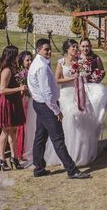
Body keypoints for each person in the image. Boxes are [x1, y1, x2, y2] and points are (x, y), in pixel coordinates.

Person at [25, 38, 90, 179]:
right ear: (38, 50)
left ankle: (39, 167)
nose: (49, 51)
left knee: (40, 137)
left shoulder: (38, 63)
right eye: (45, 49)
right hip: (46, 105)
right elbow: (46, 93)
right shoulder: (41, 67)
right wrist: (56, 111)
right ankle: (72, 170)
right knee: (58, 138)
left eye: (49, 49)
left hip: (40, 104)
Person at [0, 45, 26, 171]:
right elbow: (2, 90)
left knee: (14, 131)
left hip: (14, 101)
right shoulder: (6, 70)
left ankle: (14, 157)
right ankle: (2, 158)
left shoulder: (14, 69)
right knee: (5, 131)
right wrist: (19, 88)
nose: (18, 57)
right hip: (7, 103)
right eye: (16, 54)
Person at [15, 50, 33, 160]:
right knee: (24, 124)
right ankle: (23, 150)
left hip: (33, 99)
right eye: (27, 60)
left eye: (31, 59)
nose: (30, 62)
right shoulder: (20, 73)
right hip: (24, 100)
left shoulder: (33, 70)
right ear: (22, 61)